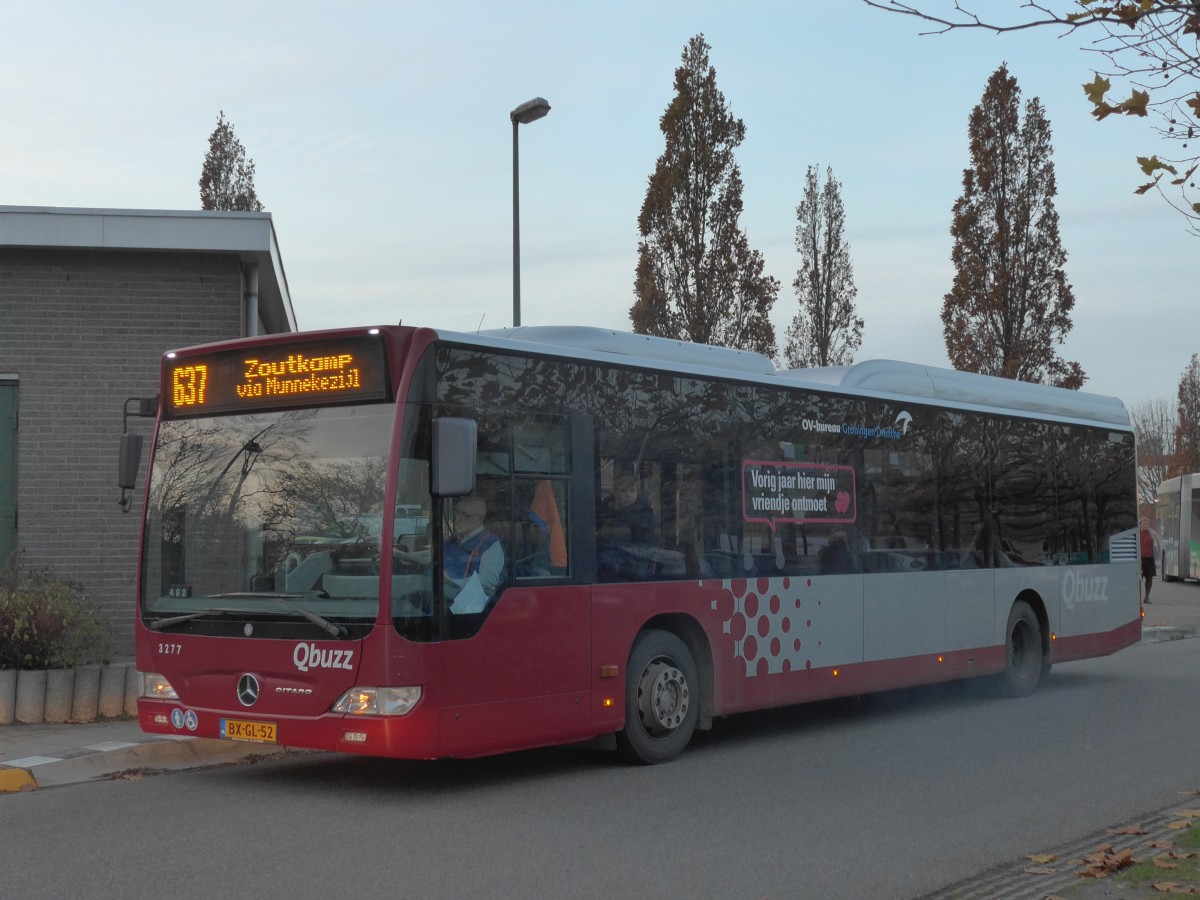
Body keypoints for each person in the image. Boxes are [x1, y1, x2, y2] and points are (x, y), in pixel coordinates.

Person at [396, 494, 504, 612]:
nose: (458, 518)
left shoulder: (490, 544)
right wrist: (402, 555)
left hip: (464, 608)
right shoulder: (452, 541)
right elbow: (431, 556)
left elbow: (488, 580)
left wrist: (451, 582)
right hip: (436, 597)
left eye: (465, 515)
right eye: (456, 513)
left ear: (479, 519)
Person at [599, 474, 657, 545]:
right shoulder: (605, 509)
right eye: (623, 491)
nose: (628, 495)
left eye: (633, 491)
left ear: (637, 493)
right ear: (614, 492)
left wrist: (612, 531)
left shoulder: (644, 512)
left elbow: (643, 537)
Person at [1140, 517, 1159, 604]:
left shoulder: (1151, 533)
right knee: (1139, 578)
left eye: (1147, 524)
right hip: (1140, 559)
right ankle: (1137, 596)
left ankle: (1147, 597)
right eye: (1144, 524)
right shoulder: (1137, 533)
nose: (1146, 525)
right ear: (1140, 525)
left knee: (1149, 578)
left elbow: (1158, 542)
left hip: (1150, 558)